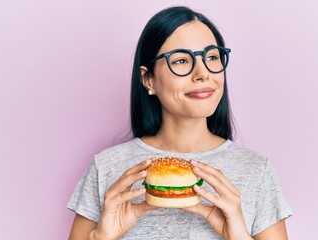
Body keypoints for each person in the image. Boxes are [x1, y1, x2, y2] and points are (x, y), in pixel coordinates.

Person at [67, 6, 292, 240]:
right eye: (182, 60)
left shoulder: (257, 171)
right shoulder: (106, 168)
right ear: (148, 79)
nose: (203, 72)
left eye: (212, 56)